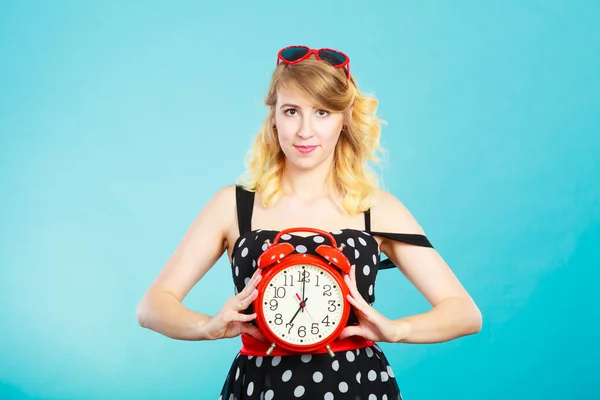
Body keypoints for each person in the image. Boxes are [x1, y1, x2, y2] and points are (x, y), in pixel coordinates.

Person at [136, 45, 482, 399]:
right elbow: (153, 306)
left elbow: (464, 312)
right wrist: (206, 327)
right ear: (274, 116)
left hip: (358, 387)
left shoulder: (375, 208)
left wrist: (397, 329)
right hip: (261, 387)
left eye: (321, 112)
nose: (304, 131)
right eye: (291, 111)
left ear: (344, 117)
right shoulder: (233, 205)